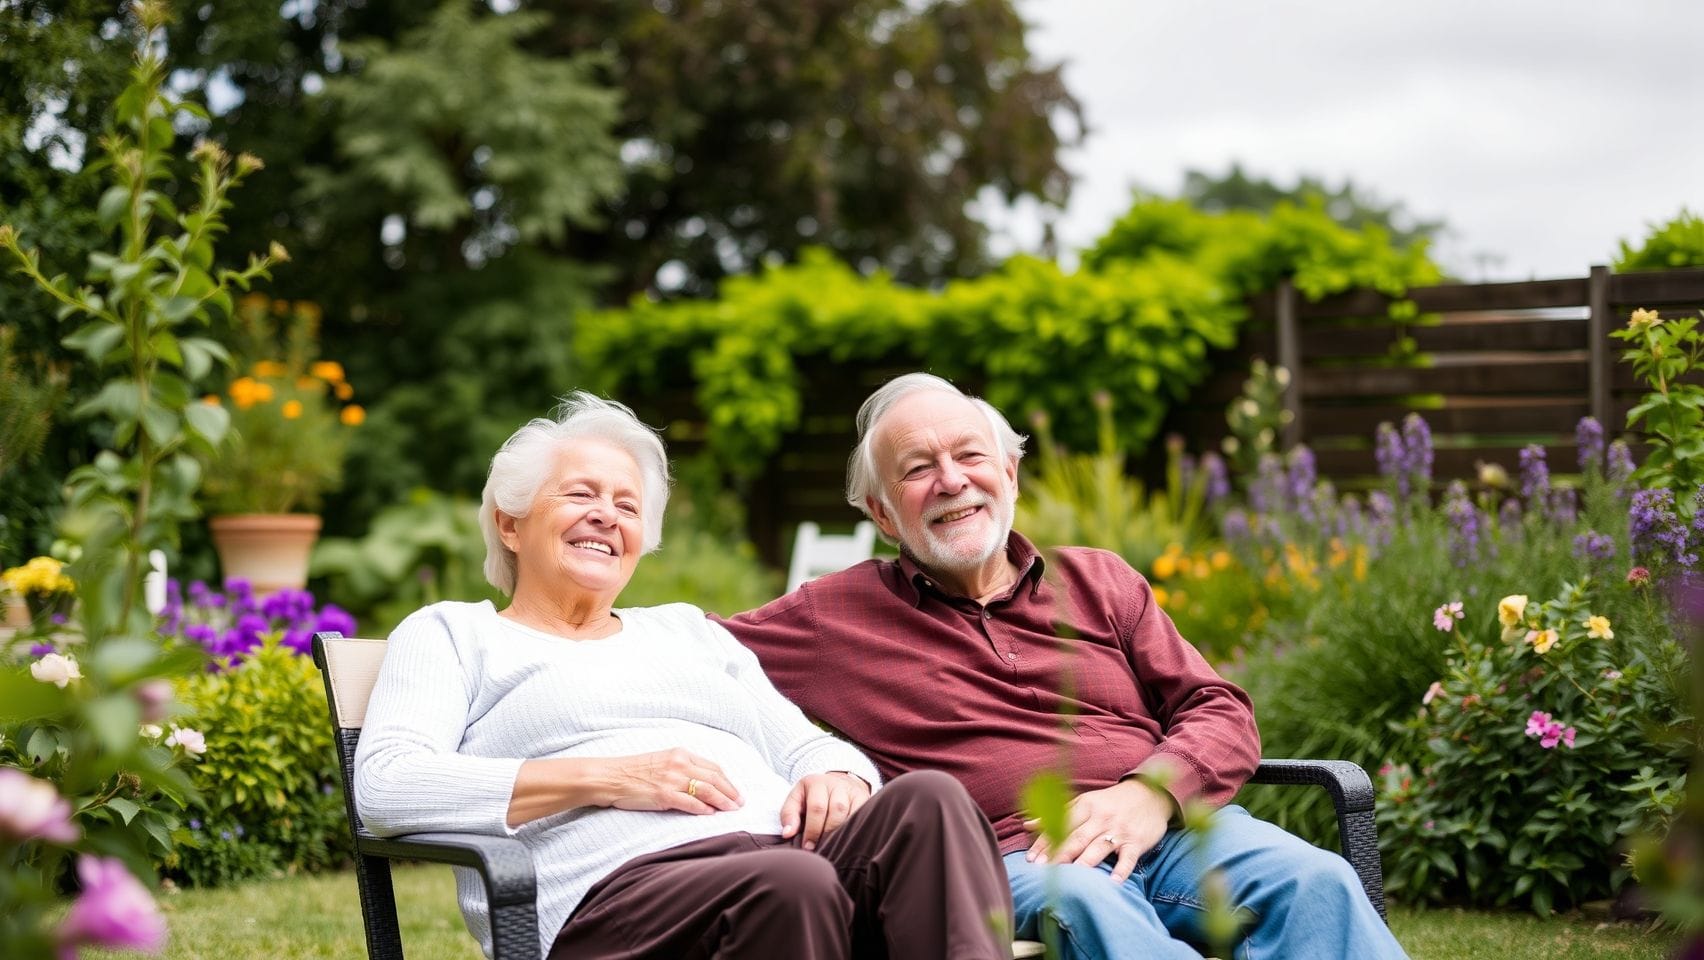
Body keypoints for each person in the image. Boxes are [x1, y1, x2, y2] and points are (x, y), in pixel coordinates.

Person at [718, 373, 1408, 960]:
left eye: (969, 455)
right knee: (1089, 906)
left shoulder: (1100, 581)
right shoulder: (834, 614)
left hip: (1167, 832)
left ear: (1009, 472)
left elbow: (1219, 708)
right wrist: (818, 761)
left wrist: (1151, 794)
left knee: (1317, 882)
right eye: (919, 469)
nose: (953, 480)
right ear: (884, 513)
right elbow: (678, 652)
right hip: (1016, 859)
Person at [354, 392, 1014, 960]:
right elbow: (387, 784)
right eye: (581, 494)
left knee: (932, 800)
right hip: (620, 900)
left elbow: (804, 745)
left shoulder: (686, 631)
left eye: (627, 506)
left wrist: (839, 776)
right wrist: (611, 779)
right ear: (510, 523)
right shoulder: (457, 634)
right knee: (789, 885)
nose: (606, 515)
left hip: (783, 859)